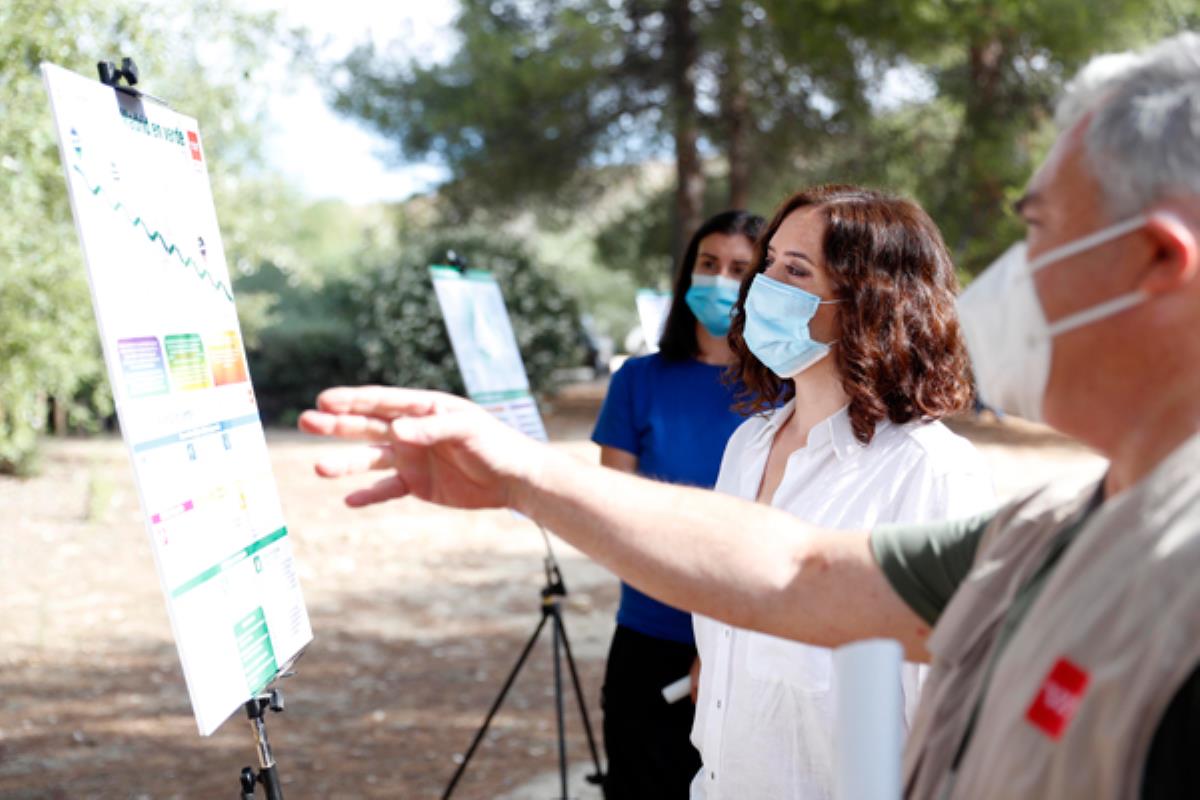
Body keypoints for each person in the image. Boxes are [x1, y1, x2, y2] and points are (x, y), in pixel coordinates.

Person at [298, 32, 1200, 799]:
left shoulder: (950, 478)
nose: (1014, 277)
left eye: (1038, 232)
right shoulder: (1060, 528)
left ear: (1160, 260)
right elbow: (791, 574)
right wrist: (520, 477)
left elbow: (902, 708)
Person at [690, 185, 993, 799]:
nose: (762, 286)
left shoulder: (929, 475)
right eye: (769, 262)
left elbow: (954, 723)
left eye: (796, 270)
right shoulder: (747, 447)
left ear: (869, 302)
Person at [592, 209, 762, 799]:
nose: (720, 281)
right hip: (647, 634)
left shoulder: (782, 392)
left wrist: (716, 643)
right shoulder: (637, 380)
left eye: (740, 269)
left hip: (751, 646)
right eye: (708, 264)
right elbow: (615, 518)